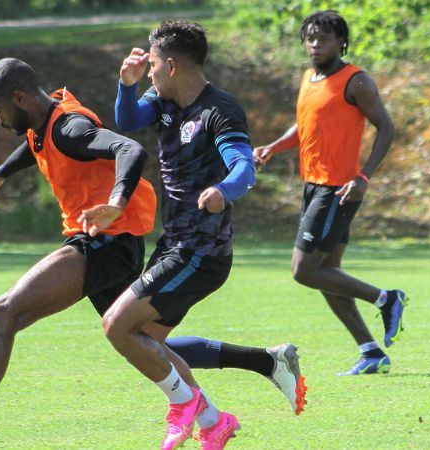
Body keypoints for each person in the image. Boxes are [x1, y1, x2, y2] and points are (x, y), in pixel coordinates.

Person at [0, 57, 157, 450]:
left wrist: (115, 201)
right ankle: (265, 361)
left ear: (19, 99)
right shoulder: (44, 123)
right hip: (106, 243)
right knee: (145, 343)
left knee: (2, 313)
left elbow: (130, 149)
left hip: (106, 242)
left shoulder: (71, 127)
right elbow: (35, 144)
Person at [109, 20, 304, 450]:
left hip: (202, 251)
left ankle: (185, 406)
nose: (151, 71)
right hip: (174, 244)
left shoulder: (219, 109)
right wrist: (126, 84)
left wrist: (222, 190)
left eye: (154, 64)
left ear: (172, 65)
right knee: (151, 343)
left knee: (117, 326)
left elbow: (244, 167)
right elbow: (127, 120)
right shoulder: (160, 100)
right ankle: (216, 420)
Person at [252, 10, 405, 375]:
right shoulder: (309, 77)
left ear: (341, 41)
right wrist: (273, 147)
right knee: (327, 273)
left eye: (323, 38)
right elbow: (306, 124)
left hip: (339, 190)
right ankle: (371, 352)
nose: (315, 44)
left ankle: (386, 299)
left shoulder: (357, 81)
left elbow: (386, 128)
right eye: (310, 38)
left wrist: (363, 177)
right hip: (313, 185)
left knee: (304, 271)